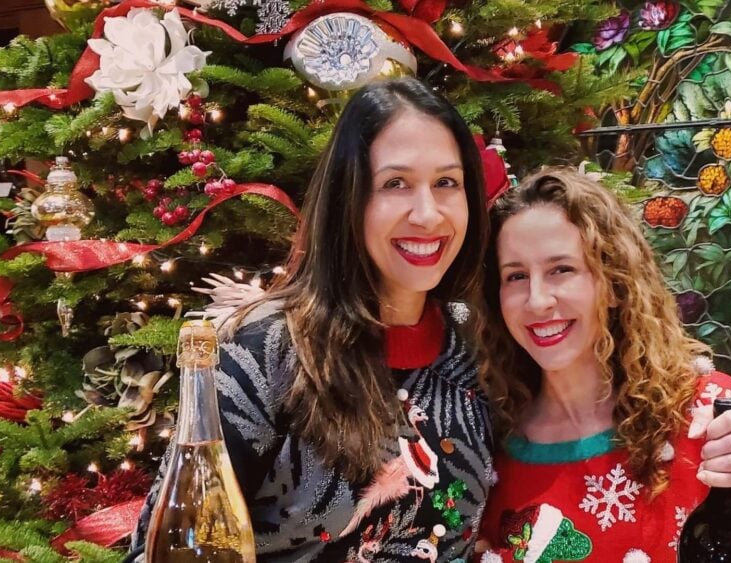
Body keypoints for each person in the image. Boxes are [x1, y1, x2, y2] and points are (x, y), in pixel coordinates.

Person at [128, 77, 493, 562]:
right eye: (395, 184)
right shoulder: (263, 354)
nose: (427, 214)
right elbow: (166, 550)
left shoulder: (474, 351)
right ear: (349, 199)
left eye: (446, 183)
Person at [474, 168, 731, 562]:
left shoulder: (707, 411)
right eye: (516, 276)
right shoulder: (488, 440)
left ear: (614, 283)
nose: (538, 300)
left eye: (562, 269)